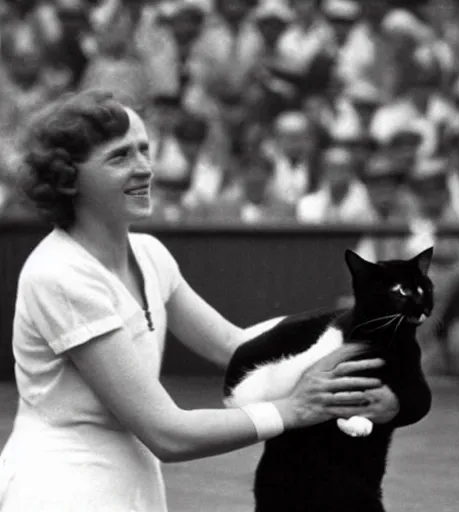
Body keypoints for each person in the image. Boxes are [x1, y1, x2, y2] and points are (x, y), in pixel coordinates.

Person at [0, 90, 402, 511]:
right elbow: (167, 432)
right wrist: (292, 409)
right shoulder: (61, 275)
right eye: (119, 157)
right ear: (68, 179)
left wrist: (359, 324)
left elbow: (236, 345)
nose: (144, 168)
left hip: (129, 481)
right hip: (58, 489)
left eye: (144, 149)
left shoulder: (150, 254)